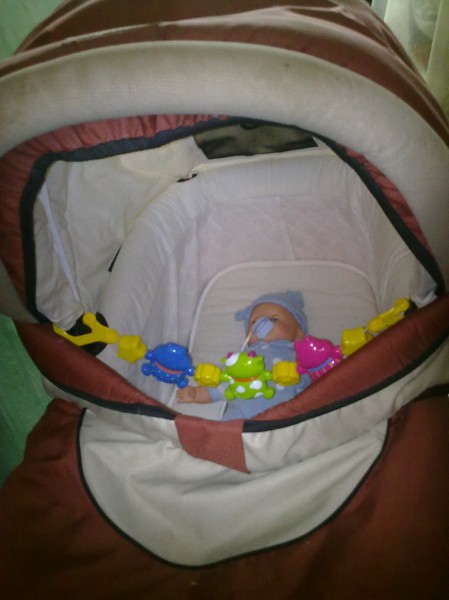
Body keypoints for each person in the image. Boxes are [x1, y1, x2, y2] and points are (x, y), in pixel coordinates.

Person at [176, 290, 312, 419]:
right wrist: (196, 394)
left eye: (274, 319)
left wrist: (300, 378)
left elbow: (314, 389)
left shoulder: (298, 355)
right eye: (254, 321)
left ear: (298, 333)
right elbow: (222, 384)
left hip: (283, 415)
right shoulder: (243, 358)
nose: (262, 324)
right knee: (228, 428)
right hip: (241, 415)